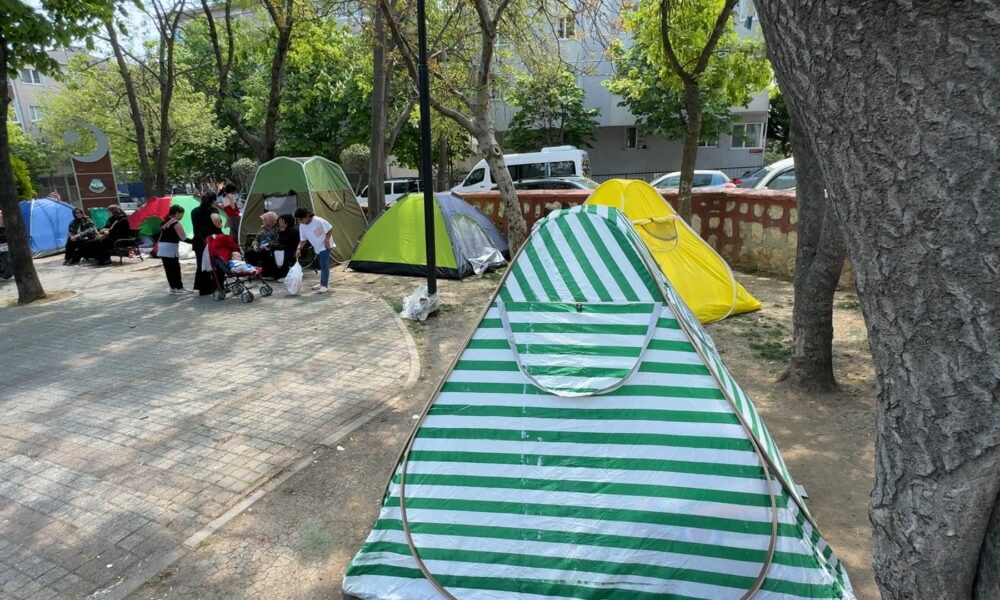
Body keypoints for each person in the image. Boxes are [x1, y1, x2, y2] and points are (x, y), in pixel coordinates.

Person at [294, 207, 334, 293]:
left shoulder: (318, 221)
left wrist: (327, 239)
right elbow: (303, 240)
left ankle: (324, 285)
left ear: (307, 215)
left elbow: (330, 228)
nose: (300, 221)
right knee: (321, 264)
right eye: (299, 219)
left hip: (325, 245)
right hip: (317, 247)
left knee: (324, 264)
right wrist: (298, 249)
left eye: (301, 219)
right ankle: (322, 283)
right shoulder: (302, 226)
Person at [157, 205, 194, 295]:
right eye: (182, 214)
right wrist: (196, 242)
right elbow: (184, 238)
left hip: (162, 247)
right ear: (177, 213)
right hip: (170, 248)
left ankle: (173, 288)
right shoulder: (176, 224)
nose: (182, 216)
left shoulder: (166, 222)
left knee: (168, 269)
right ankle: (179, 288)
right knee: (175, 268)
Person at [190, 193, 221, 295]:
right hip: (211, 241)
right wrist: (219, 225)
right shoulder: (212, 210)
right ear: (213, 201)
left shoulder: (194, 211)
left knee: (201, 264)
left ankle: (204, 289)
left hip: (198, 240)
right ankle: (218, 286)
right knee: (216, 263)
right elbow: (216, 219)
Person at [243, 211, 279, 277]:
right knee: (249, 253)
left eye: (265, 220)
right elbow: (256, 239)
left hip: (270, 249)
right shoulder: (263, 228)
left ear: (270, 220)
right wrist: (255, 245)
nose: (263, 222)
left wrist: (267, 244)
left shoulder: (277, 228)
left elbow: (277, 240)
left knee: (266, 254)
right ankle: (254, 271)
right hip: (260, 248)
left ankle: (267, 274)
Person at [273, 213, 299, 281]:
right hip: (284, 249)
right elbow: (279, 242)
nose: (279, 223)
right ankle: (274, 274)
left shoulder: (293, 230)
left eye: (281, 221)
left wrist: (282, 230)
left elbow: (286, 242)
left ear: (286, 222)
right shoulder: (283, 230)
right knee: (272, 253)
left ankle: (284, 275)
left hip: (292, 251)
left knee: (281, 255)